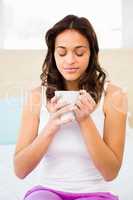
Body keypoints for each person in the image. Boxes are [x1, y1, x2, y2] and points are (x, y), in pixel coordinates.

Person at [14, 15, 128, 200]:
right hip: (46, 191)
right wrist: (52, 125)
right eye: (62, 53)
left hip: (95, 194)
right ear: (52, 54)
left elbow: (110, 172)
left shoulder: (114, 96)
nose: (70, 60)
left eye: (80, 52)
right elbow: (20, 170)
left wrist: (85, 120)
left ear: (92, 54)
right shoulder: (36, 97)